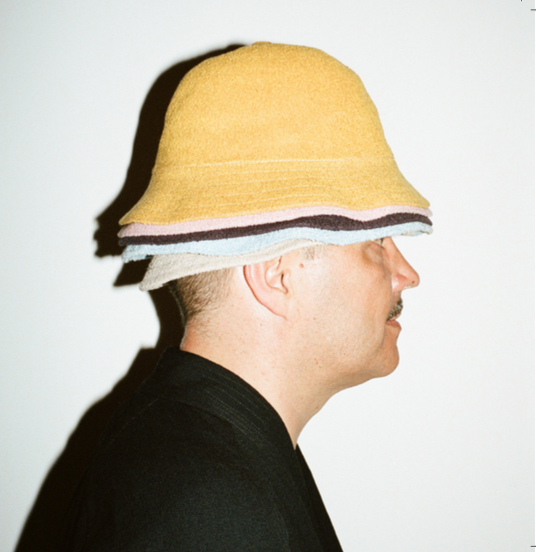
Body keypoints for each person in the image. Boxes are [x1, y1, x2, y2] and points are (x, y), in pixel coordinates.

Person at [57, 42, 432, 551]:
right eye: (376, 243)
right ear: (277, 275)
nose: (406, 275)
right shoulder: (209, 503)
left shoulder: (213, 450)